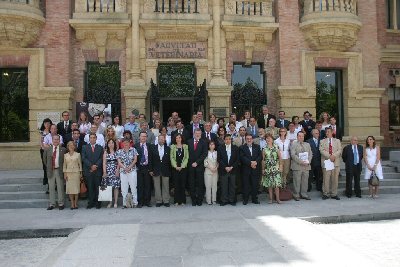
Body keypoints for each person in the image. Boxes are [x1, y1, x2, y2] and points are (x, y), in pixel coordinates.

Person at [43, 135, 66, 210]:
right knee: (51, 187)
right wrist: (50, 167)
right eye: (54, 139)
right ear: (52, 140)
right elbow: (45, 160)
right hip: (51, 170)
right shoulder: (47, 149)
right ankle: (52, 204)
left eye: (57, 139)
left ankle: (61, 203)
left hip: (59, 170)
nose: (56, 141)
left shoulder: (63, 150)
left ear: (59, 140)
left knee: (60, 187)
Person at [81, 133, 104, 209]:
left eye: (94, 138)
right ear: (89, 139)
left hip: (98, 171)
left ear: (96, 139)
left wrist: (95, 166)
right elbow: (84, 158)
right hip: (88, 170)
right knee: (90, 187)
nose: (92, 139)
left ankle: (98, 203)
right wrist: (91, 166)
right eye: (91, 138)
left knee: (98, 187)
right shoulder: (84, 147)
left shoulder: (100, 147)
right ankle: (91, 202)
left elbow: (101, 158)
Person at [319, 127, 342, 200]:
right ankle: (326, 193)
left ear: (332, 132)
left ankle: (334, 194)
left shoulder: (337, 141)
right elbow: (321, 150)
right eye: (326, 132)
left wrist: (334, 156)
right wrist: (329, 156)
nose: (327, 133)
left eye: (329, 131)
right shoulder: (322, 141)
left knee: (335, 178)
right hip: (327, 161)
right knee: (326, 178)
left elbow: (339, 150)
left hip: (335, 162)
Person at [149, 134, 171, 207]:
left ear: (164, 140)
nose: (161, 140)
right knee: (156, 186)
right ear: (157, 140)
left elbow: (170, 161)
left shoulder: (168, 148)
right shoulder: (153, 148)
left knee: (166, 186)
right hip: (156, 170)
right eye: (160, 139)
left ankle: (166, 200)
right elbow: (150, 160)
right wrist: (151, 170)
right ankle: (158, 201)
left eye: (162, 139)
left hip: (166, 170)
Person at [187, 128, 208, 206]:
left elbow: (204, 154)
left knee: (200, 184)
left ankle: (199, 200)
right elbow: (187, 153)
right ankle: (193, 199)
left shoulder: (204, 142)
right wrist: (192, 163)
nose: (198, 134)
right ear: (194, 133)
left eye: (199, 133)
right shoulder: (189, 141)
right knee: (191, 183)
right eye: (196, 133)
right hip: (191, 166)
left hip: (200, 166)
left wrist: (197, 162)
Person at [240, 134, 262, 205]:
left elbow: (260, 156)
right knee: (246, 185)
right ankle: (245, 199)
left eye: (250, 138)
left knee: (255, 185)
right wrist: (250, 163)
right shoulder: (242, 147)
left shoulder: (257, 147)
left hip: (255, 168)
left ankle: (254, 199)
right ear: (245, 140)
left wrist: (255, 162)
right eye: (247, 139)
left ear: (252, 139)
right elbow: (242, 157)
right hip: (246, 169)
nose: (249, 140)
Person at [217, 134, 239, 206]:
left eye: (229, 139)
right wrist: (225, 167)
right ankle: (224, 200)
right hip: (224, 170)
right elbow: (219, 159)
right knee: (224, 185)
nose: (228, 140)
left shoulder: (235, 148)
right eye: (226, 139)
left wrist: (232, 167)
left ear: (231, 140)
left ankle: (232, 200)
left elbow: (237, 159)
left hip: (233, 169)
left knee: (232, 186)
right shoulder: (220, 148)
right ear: (224, 140)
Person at [290, 132, 312, 201]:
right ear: (297, 137)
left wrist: (308, 161)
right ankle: (296, 194)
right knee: (297, 181)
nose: (301, 137)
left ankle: (304, 194)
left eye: (302, 136)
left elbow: (311, 154)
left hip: (306, 166)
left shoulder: (307, 144)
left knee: (305, 181)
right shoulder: (293, 144)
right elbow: (293, 155)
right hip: (297, 166)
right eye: (299, 136)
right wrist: (301, 162)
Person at [261, 133, 283, 204]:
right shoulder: (264, 148)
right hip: (268, 168)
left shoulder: (276, 147)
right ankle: (270, 199)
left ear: (272, 139)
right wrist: (263, 169)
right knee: (270, 185)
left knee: (276, 184)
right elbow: (263, 160)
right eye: (267, 138)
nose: (268, 139)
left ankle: (278, 199)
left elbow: (280, 158)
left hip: (276, 167)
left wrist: (280, 166)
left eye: (269, 138)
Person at [117, 138, 138, 208]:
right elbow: (119, 162)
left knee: (133, 187)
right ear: (122, 144)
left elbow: (135, 160)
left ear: (130, 143)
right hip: (123, 172)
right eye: (124, 142)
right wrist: (125, 168)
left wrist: (129, 167)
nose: (126, 144)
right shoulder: (119, 151)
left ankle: (135, 203)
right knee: (124, 188)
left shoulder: (133, 150)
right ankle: (125, 204)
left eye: (127, 142)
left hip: (132, 171)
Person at [170, 133, 189, 206]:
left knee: (182, 185)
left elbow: (187, 157)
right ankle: (176, 201)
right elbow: (171, 157)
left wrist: (182, 166)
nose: (178, 139)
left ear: (182, 139)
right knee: (176, 185)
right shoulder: (172, 147)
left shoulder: (185, 146)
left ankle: (183, 201)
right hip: (175, 168)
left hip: (183, 168)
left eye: (179, 138)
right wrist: (175, 166)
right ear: (175, 139)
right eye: (177, 138)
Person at [63, 141, 82, 210]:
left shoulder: (78, 154)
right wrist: (65, 174)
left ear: (74, 146)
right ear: (68, 147)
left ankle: (76, 203)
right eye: (70, 145)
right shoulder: (65, 155)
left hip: (76, 173)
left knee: (76, 189)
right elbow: (64, 165)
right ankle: (72, 203)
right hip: (68, 174)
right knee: (70, 190)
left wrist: (80, 174)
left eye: (72, 145)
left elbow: (80, 165)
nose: (71, 146)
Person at [135, 131, 153, 207]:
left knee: (147, 185)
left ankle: (147, 201)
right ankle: (140, 202)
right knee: (140, 185)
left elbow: (151, 158)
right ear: (139, 137)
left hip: (147, 168)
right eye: (142, 136)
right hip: (139, 168)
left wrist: (151, 169)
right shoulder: (135, 146)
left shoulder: (150, 146)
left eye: (145, 136)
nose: (143, 138)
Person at [103, 139, 120, 208]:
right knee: (109, 187)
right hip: (108, 170)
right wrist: (104, 172)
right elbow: (104, 163)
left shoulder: (117, 152)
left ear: (114, 144)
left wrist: (117, 170)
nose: (111, 144)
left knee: (116, 187)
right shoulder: (105, 152)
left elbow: (119, 162)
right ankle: (110, 202)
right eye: (109, 143)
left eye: (112, 143)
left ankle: (115, 202)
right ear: (107, 144)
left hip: (115, 170)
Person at [39, 118, 52, 188]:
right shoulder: (42, 131)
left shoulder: (52, 131)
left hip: (50, 150)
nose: (47, 124)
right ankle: (45, 179)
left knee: (50, 164)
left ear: (50, 124)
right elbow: (41, 141)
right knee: (45, 165)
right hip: (43, 150)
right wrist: (42, 147)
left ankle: (50, 180)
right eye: (45, 123)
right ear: (43, 124)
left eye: (48, 123)